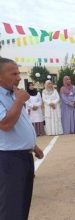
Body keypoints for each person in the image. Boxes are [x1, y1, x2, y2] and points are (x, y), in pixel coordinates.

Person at [0, 58, 44, 220]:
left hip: (23, 156)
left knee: (22, 205)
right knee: (11, 208)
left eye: (18, 73)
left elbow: (20, 123)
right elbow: (5, 124)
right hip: (9, 159)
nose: (19, 77)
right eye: (14, 73)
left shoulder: (14, 93)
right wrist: (19, 101)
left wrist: (33, 146)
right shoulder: (15, 97)